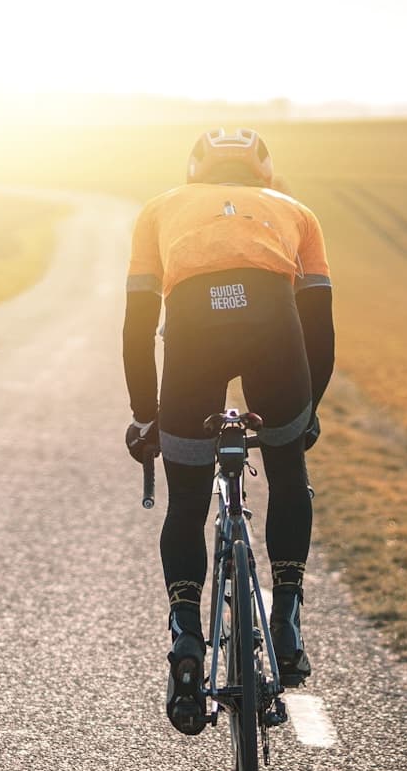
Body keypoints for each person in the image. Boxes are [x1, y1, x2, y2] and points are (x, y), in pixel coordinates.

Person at [122, 127, 334, 735]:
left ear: (195, 168)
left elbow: (138, 328)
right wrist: (305, 411)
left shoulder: (159, 210)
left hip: (193, 332)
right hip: (275, 331)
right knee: (289, 476)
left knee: (187, 503)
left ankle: (187, 630)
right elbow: (319, 329)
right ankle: (287, 617)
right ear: (264, 172)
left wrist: (146, 414)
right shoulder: (297, 212)